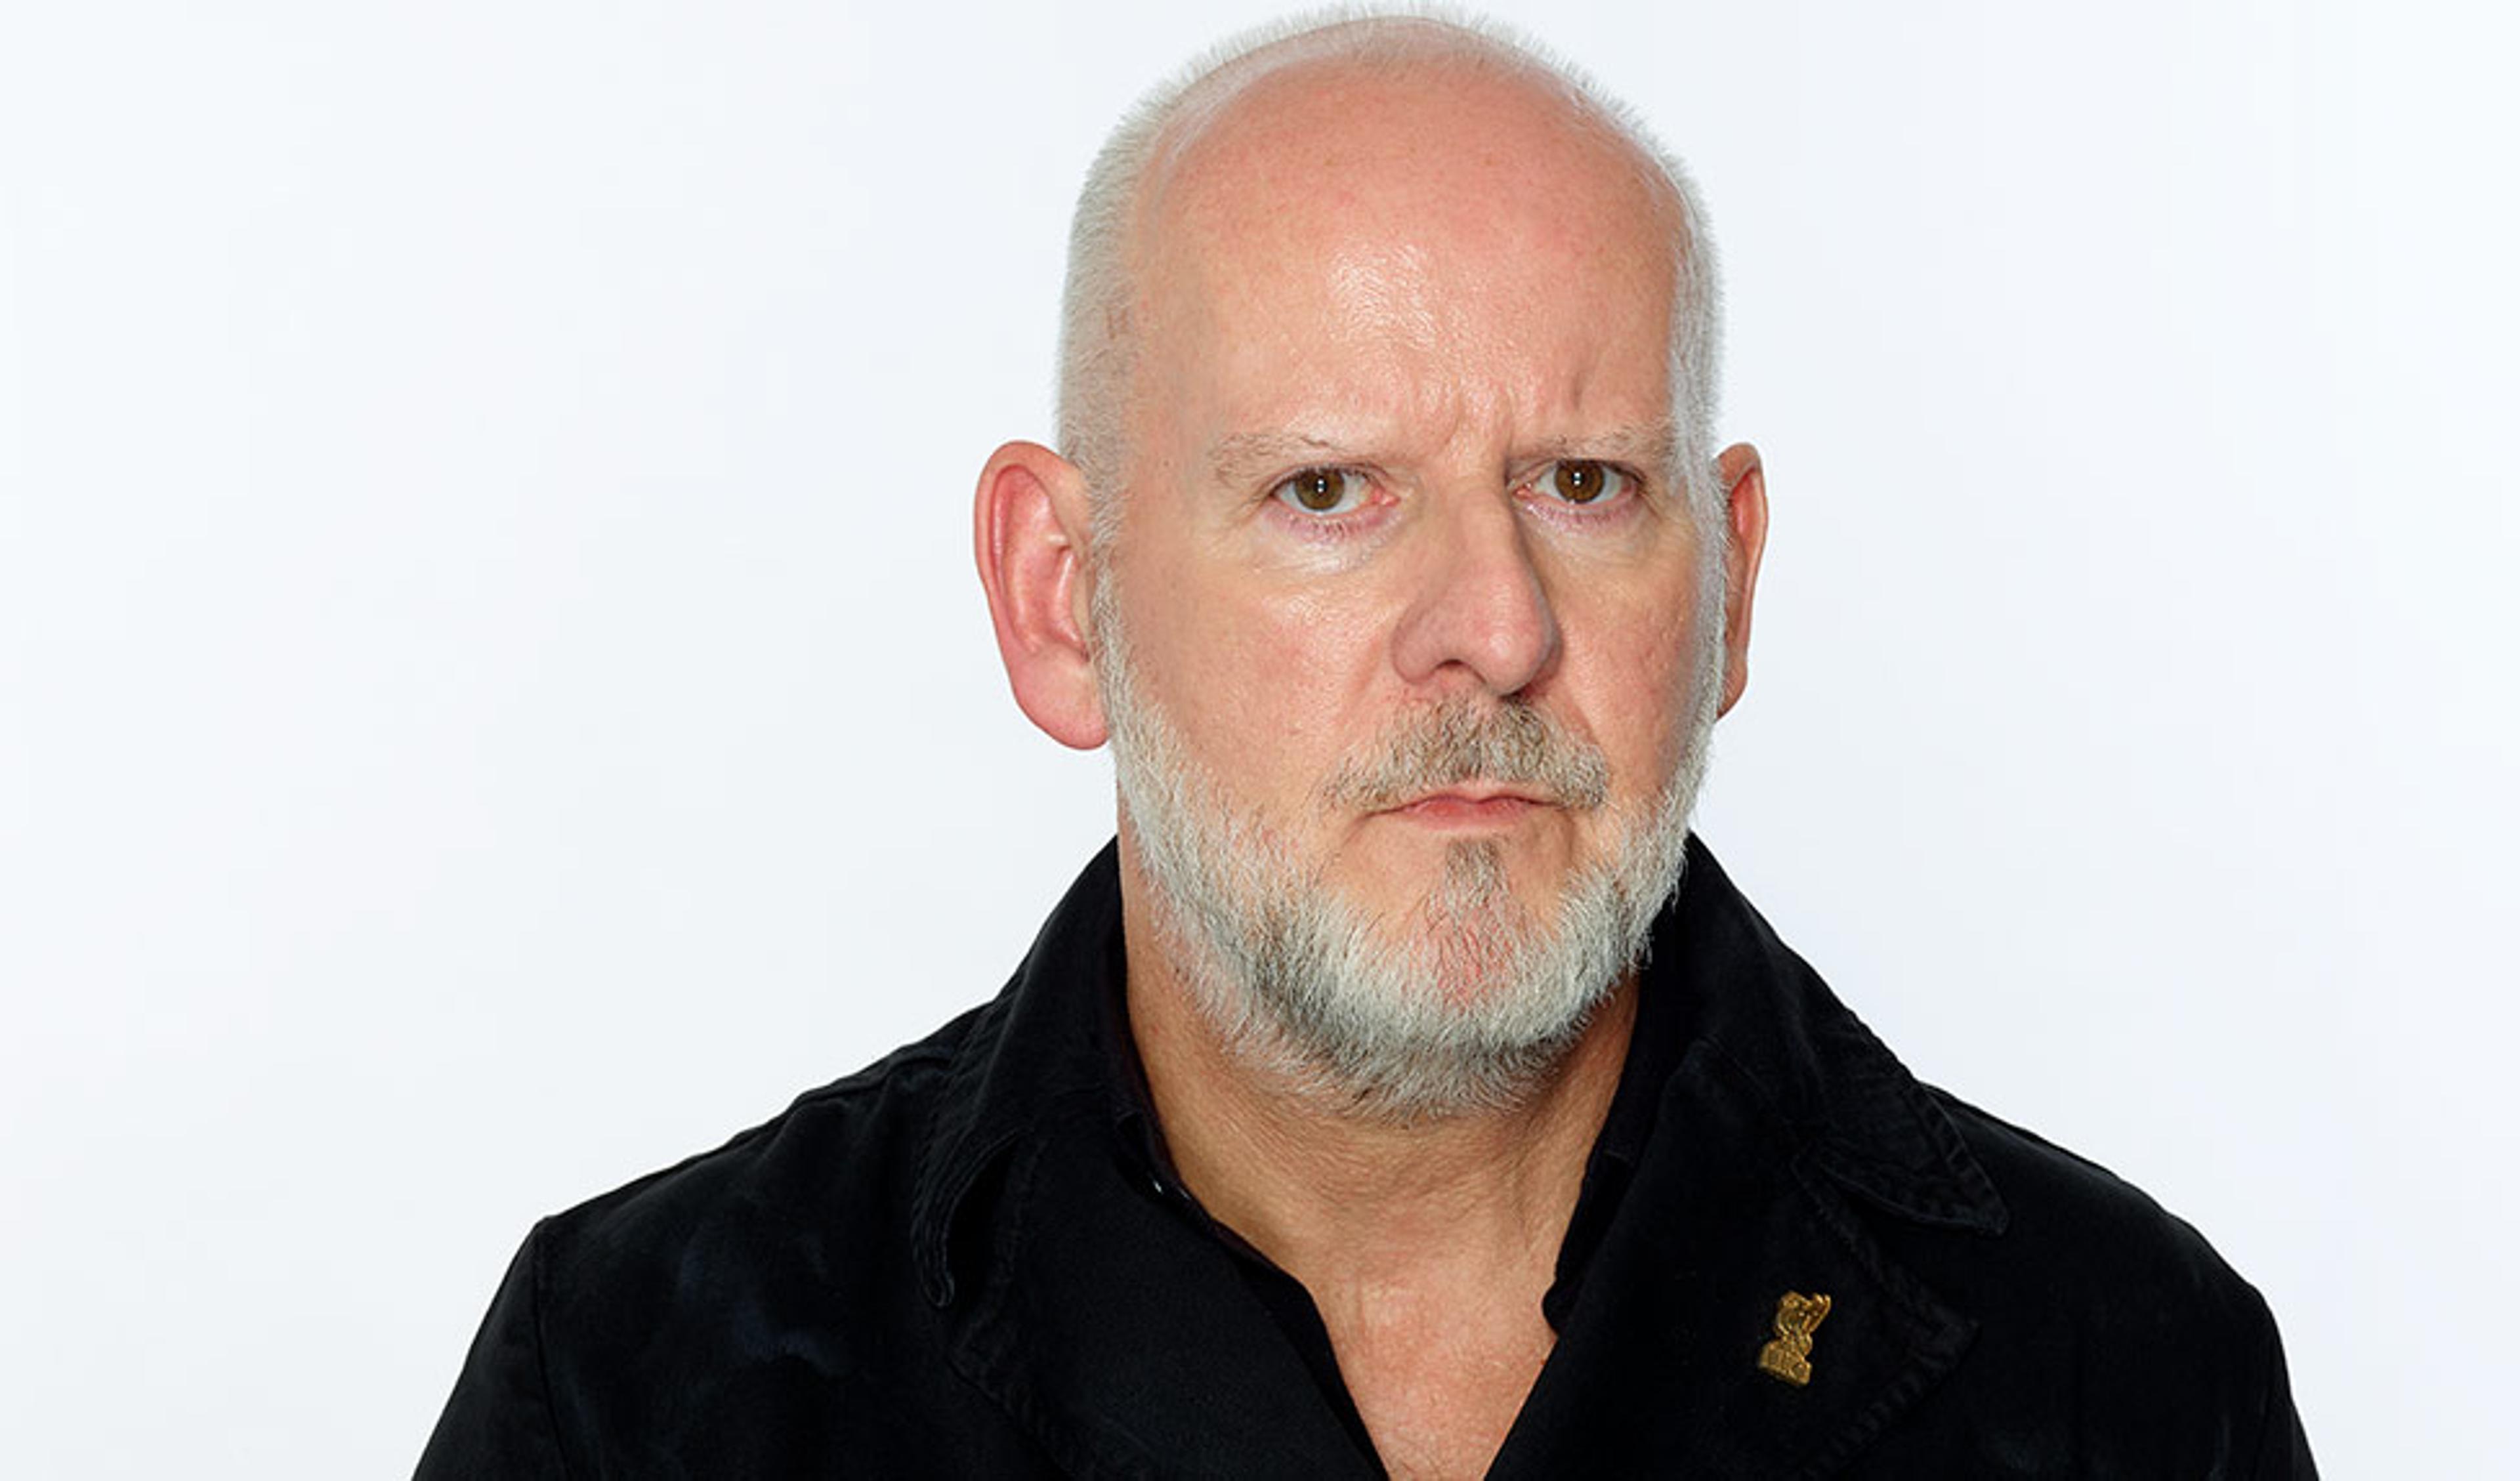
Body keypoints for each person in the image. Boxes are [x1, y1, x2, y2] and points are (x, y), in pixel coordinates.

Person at [419, 13, 2315, 1477]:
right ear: (1061, 595)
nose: (1493, 624)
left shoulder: (2116, 1377)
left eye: (1582, 482)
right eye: (1330, 490)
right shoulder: (650, 1392)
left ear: (1728, 582)